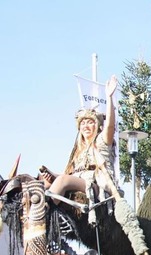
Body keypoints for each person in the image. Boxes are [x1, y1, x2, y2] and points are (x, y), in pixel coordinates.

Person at [41, 75, 119, 208]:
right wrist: (52, 175)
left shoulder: (101, 142)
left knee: (63, 180)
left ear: (98, 126)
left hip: (98, 186)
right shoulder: (78, 150)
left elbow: (110, 126)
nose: (86, 126)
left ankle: (44, 213)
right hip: (79, 181)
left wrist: (109, 98)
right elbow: (72, 175)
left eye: (90, 122)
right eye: (83, 123)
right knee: (43, 182)